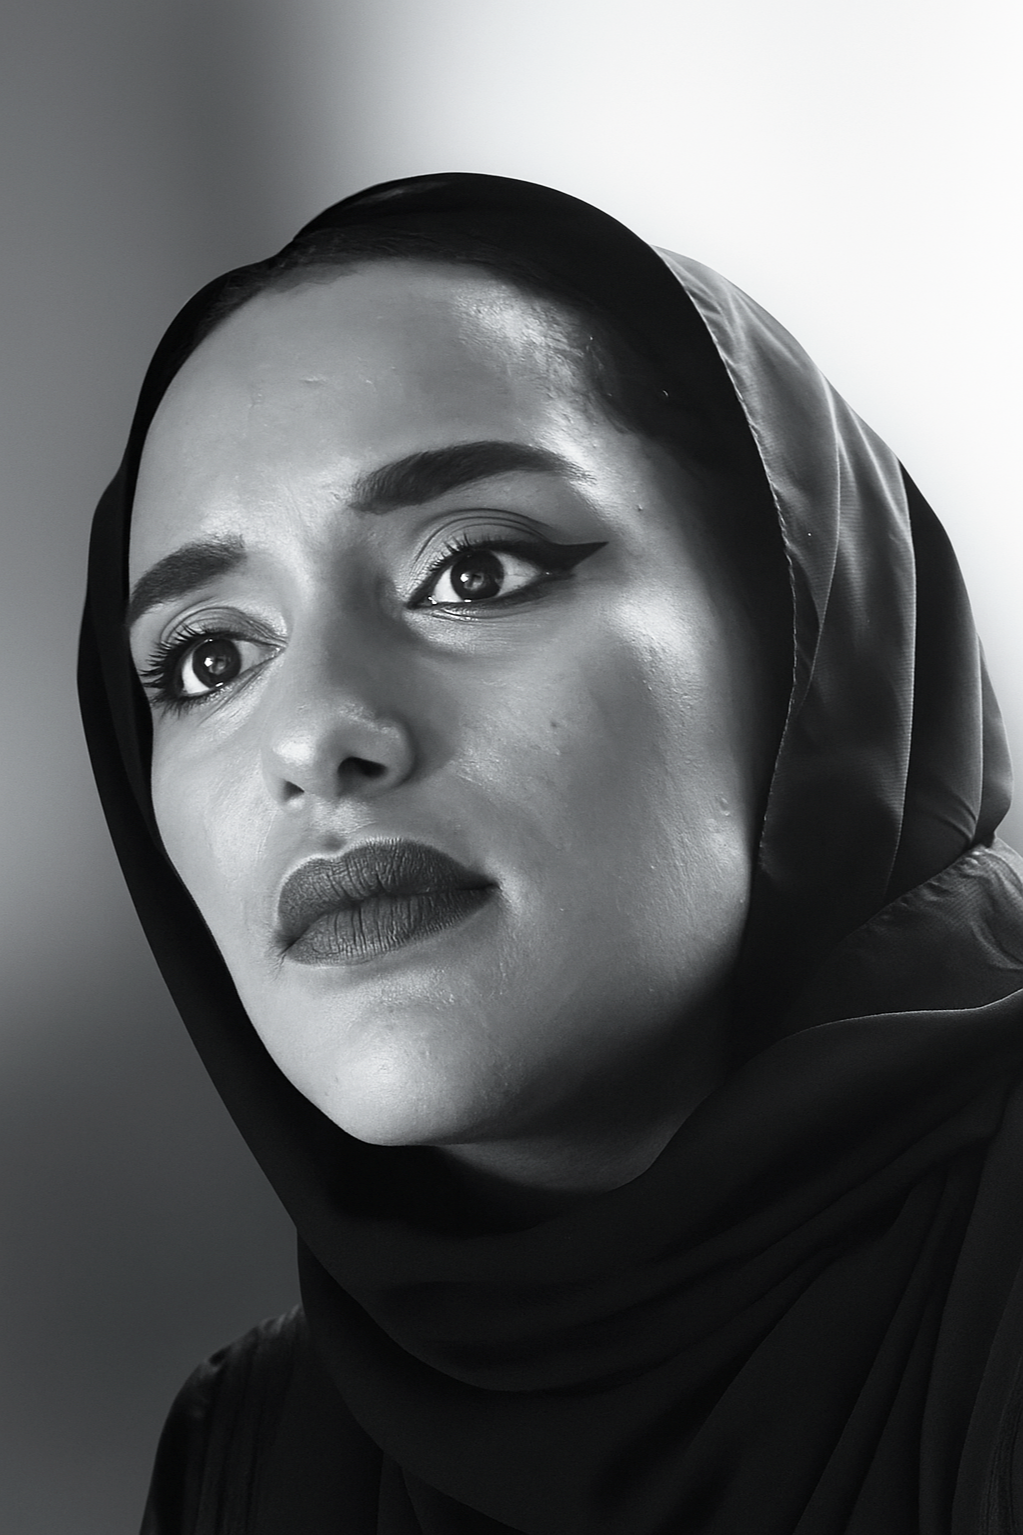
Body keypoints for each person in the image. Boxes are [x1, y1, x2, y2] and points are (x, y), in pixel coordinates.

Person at [78, 173, 1023, 1535]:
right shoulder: (260, 1456)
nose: (317, 738)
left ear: (810, 630)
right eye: (209, 658)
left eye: (474, 570)